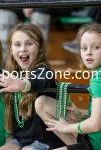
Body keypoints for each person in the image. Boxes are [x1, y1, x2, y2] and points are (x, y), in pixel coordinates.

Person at [0, 23, 76, 150]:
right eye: (17, 45)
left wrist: (23, 84)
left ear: (40, 47)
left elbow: (42, 79)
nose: (23, 49)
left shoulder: (44, 69)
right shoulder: (8, 71)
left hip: (46, 140)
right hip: (20, 140)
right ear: (11, 49)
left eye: (29, 44)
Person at [41, 22, 101, 150]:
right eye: (84, 48)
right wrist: (81, 116)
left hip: (95, 145)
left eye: (96, 47)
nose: (88, 53)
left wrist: (66, 128)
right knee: (42, 103)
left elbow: (95, 125)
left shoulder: (98, 78)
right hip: (92, 138)